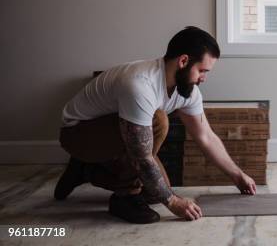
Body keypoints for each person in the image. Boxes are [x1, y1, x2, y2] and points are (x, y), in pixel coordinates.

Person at [54, 26, 256, 224]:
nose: (204, 78)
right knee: (158, 121)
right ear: (183, 61)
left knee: (154, 193)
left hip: (117, 132)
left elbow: (206, 136)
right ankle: (123, 198)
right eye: (202, 70)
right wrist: (174, 202)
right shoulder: (140, 84)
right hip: (78, 133)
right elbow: (141, 158)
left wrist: (237, 176)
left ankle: (84, 170)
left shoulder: (188, 91)